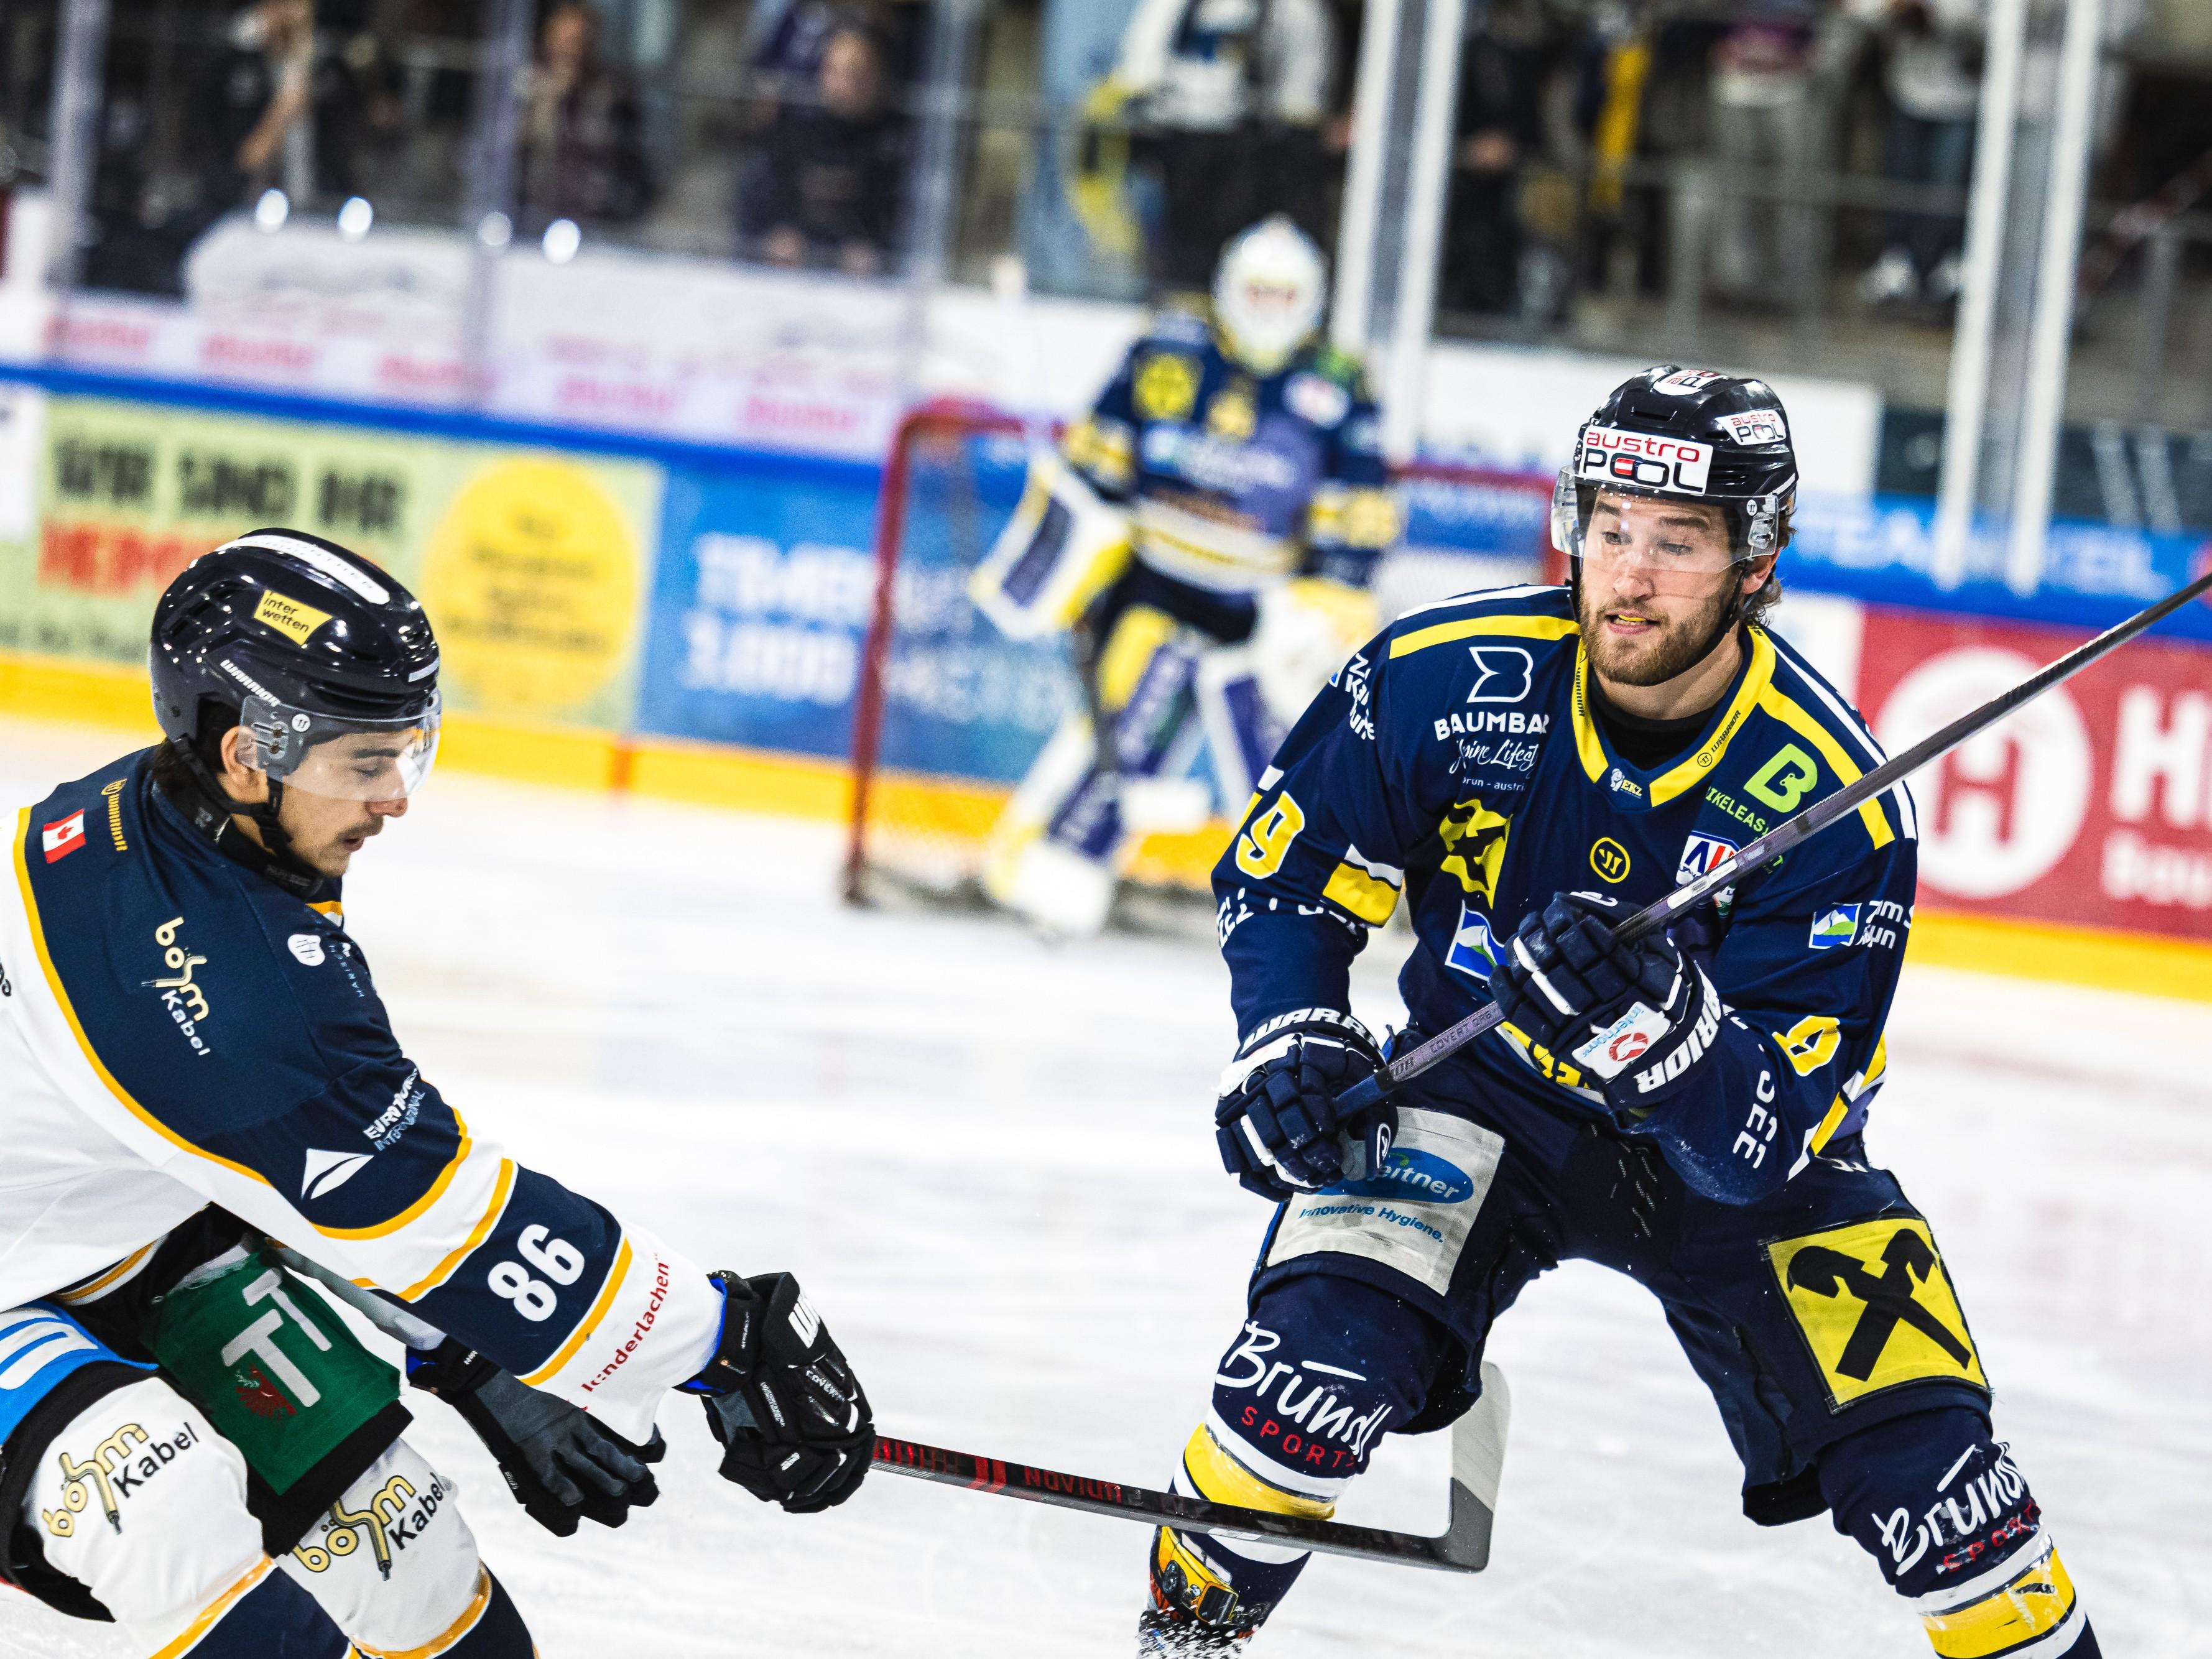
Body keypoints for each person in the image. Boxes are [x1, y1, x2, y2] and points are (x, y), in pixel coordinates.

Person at [1141, 367, 2098, 1657]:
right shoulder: (1443, 675)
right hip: (1479, 1096)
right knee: (1295, 1384)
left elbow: (1764, 1142)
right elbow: (1288, 866)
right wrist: (1288, 1032)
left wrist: (1653, 1025)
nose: (1626, 575)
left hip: (1739, 1173)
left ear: (1753, 564)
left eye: (1676, 543)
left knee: (1955, 1516)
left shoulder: (1835, 799)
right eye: (1606, 529)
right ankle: (1181, 1637)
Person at [0, 530, 872, 1654]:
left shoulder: (182, 831)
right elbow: (423, 1205)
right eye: (362, 762)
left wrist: (469, 1357)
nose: (396, 798)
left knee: (408, 1560)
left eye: (408, 751)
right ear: (243, 753)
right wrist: (719, 1338)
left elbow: (282, 1167)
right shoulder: (225, 982)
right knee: (161, 1504)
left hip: (128, 1241)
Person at [971, 215, 1398, 937]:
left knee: (1283, 760)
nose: (1266, 308)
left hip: (1260, 605)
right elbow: (1099, 456)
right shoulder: (1166, 346)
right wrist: (1074, 534)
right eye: (1254, 291)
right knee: (1123, 730)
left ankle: (1305, 901)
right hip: (1154, 585)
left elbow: (1355, 514)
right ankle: (1056, 874)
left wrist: (1322, 609)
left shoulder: (1337, 382)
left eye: (1282, 295)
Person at [1103, 0, 1343, 292]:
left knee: (1238, 256)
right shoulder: (1171, 7)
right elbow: (1138, 72)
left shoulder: (1294, 10)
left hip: (1249, 156)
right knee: (1177, 262)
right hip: (1179, 145)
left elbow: (1302, 100)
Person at [738, 22, 907, 272]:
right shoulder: (793, 132)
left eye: (855, 74)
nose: (841, 84)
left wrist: (872, 247)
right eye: (832, 71)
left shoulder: (894, 144)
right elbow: (760, 195)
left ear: (877, 77)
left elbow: (899, 216)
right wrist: (778, 232)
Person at [1851, 0, 1986, 309]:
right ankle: (1900, 262)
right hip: (1907, 89)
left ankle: (1951, 268)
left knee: (1949, 185)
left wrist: (1939, 15)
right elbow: (1864, 13)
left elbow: (1991, 26)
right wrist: (1895, 13)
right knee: (1902, 176)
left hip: (1960, 96)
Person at [518, 1, 652, 232]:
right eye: (562, 40)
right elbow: (512, 144)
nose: (568, 50)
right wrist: (547, 101)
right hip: (534, 205)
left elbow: (624, 150)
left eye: (577, 41)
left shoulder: (612, 90)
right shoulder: (526, 82)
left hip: (595, 211)